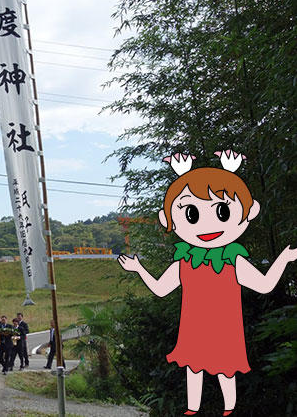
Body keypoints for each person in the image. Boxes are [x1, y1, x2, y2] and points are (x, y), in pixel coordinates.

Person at [117, 151, 296, 416]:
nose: (208, 224)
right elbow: (160, 289)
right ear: (169, 220)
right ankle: (193, 409)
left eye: (222, 211)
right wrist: (138, 268)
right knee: (194, 368)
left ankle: (229, 409)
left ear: (249, 212)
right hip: (194, 329)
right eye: (191, 213)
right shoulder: (185, 261)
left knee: (225, 370)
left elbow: (265, 284)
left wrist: (284, 257)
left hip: (225, 329)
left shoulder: (232, 260)